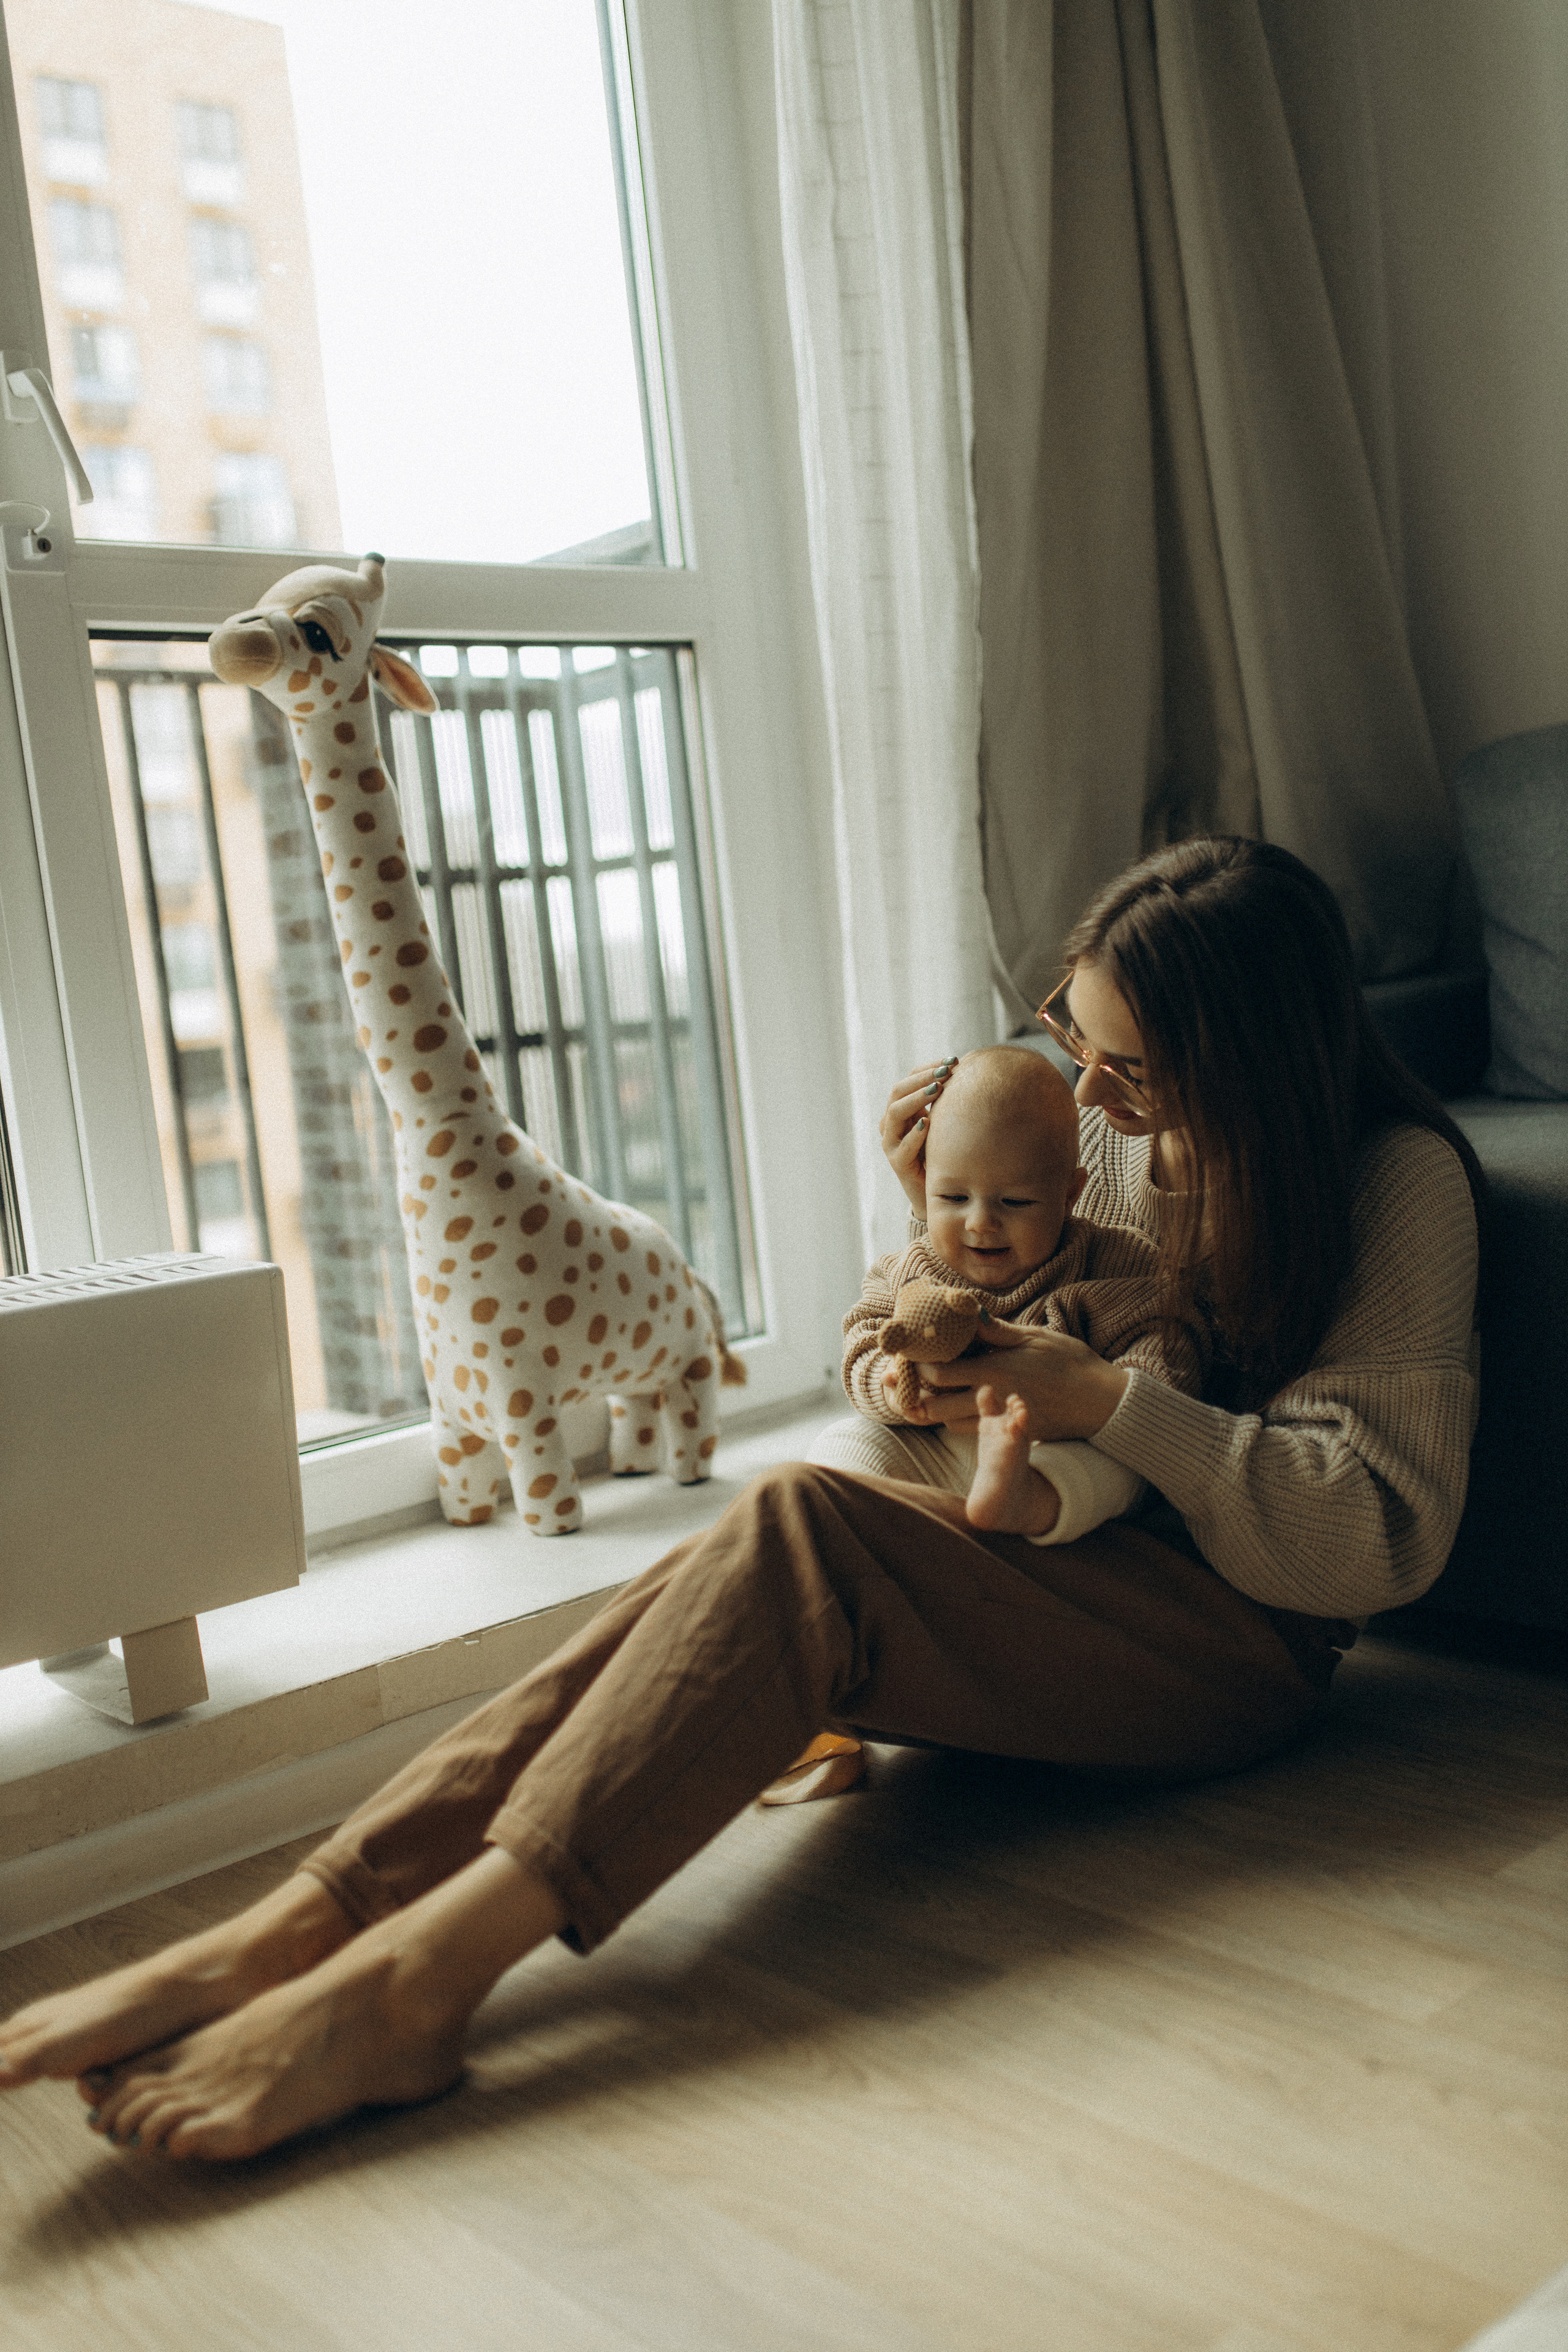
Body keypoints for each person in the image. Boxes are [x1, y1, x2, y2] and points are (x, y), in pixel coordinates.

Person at [0, 837, 1484, 2165]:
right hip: (1043, 1560)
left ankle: (412, 1981)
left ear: (1249, 1066)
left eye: (1133, 1073)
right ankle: (300, 1924)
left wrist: (1110, 1404)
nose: (1089, 1101)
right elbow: (909, 1371)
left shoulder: (1389, 1184)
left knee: (800, 1529)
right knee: (767, 1523)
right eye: (1066, 1036)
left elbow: (1367, 1536)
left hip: (1233, 1645)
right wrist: (933, 1267)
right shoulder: (1094, 1127)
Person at [810, 1042, 1207, 1540]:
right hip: (934, 1447)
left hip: (1048, 1450)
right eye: (953, 1198)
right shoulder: (907, 1267)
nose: (981, 1224)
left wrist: (1102, 1389)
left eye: (1016, 1202)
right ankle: (853, 1525)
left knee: (1121, 1469)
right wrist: (892, 1385)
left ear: (1070, 1194)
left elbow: (1168, 1352)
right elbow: (863, 1339)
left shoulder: (1113, 1263)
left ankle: (1025, 1503)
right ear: (923, 1182)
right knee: (845, 1443)